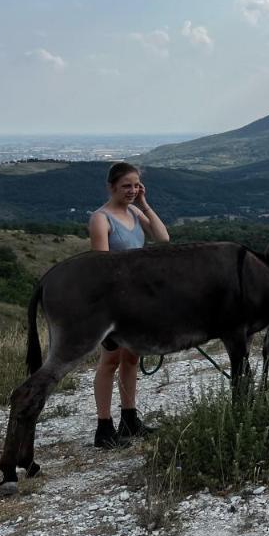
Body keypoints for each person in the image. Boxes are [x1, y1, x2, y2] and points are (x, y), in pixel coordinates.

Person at [90, 162, 170, 447]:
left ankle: (129, 419)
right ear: (111, 187)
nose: (132, 190)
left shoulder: (136, 211)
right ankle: (103, 428)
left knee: (132, 358)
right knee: (110, 360)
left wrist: (145, 203)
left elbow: (162, 237)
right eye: (126, 185)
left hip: (136, 300)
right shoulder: (101, 219)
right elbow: (101, 265)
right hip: (113, 301)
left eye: (136, 185)